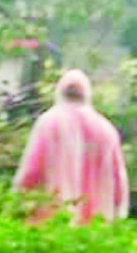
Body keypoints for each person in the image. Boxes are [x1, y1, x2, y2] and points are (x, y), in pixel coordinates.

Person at [13, 69, 128, 225]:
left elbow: (32, 172)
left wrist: (18, 204)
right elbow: (118, 182)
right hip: (95, 227)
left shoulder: (49, 123)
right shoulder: (106, 131)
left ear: (60, 92)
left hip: (52, 222)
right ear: (88, 94)